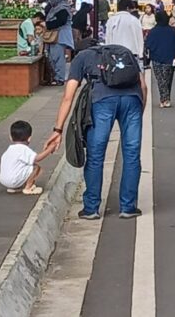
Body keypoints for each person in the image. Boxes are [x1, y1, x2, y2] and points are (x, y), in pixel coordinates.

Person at [45, 45, 147, 220]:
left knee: (96, 155)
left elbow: (68, 96)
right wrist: (139, 110)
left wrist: (58, 129)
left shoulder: (82, 57)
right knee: (131, 153)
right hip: (132, 100)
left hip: (102, 102)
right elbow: (143, 86)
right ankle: (128, 207)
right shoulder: (123, 52)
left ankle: (91, 208)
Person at [0, 120, 52, 195]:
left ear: (11, 137)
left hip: (4, 181)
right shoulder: (23, 149)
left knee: (22, 167)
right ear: (29, 138)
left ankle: (15, 188)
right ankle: (28, 188)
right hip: (13, 180)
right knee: (35, 167)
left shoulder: (9, 150)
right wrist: (50, 149)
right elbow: (37, 158)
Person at [145, 11, 175, 108]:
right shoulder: (172, 31)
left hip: (156, 58)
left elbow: (148, 45)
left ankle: (163, 99)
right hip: (170, 58)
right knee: (168, 79)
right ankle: (166, 98)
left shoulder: (153, 31)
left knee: (160, 80)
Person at [44, 0, 74, 85]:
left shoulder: (62, 9)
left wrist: (47, 25)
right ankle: (56, 77)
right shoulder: (56, 8)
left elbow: (60, 21)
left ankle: (59, 78)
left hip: (59, 36)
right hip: (56, 36)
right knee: (53, 56)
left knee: (57, 57)